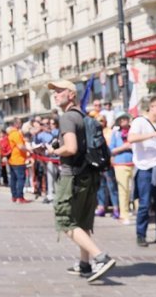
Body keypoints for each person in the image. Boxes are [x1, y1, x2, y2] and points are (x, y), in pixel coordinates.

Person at [45, 80, 116, 283]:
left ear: (71, 94)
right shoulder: (83, 116)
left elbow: (71, 148)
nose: (56, 95)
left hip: (72, 176)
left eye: (59, 91)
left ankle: (101, 258)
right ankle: (85, 265)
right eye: (55, 92)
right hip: (89, 175)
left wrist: (53, 150)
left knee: (65, 221)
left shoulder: (67, 117)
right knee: (82, 221)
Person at [128, 96, 156, 247]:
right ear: (152, 107)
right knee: (145, 203)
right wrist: (154, 134)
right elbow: (131, 138)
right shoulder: (140, 121)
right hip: (144, 168)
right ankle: (141, 235)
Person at [109, 113, 135, 225]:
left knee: (135, 190)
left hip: (135, 163)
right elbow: (111, 150)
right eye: (121, 119)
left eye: (125, 119)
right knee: (123, 190)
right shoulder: (116, 134)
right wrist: (124, 147)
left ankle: (137, 212)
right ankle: (123, 214)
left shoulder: (134, 132)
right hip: (121, 164)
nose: (124, 121)